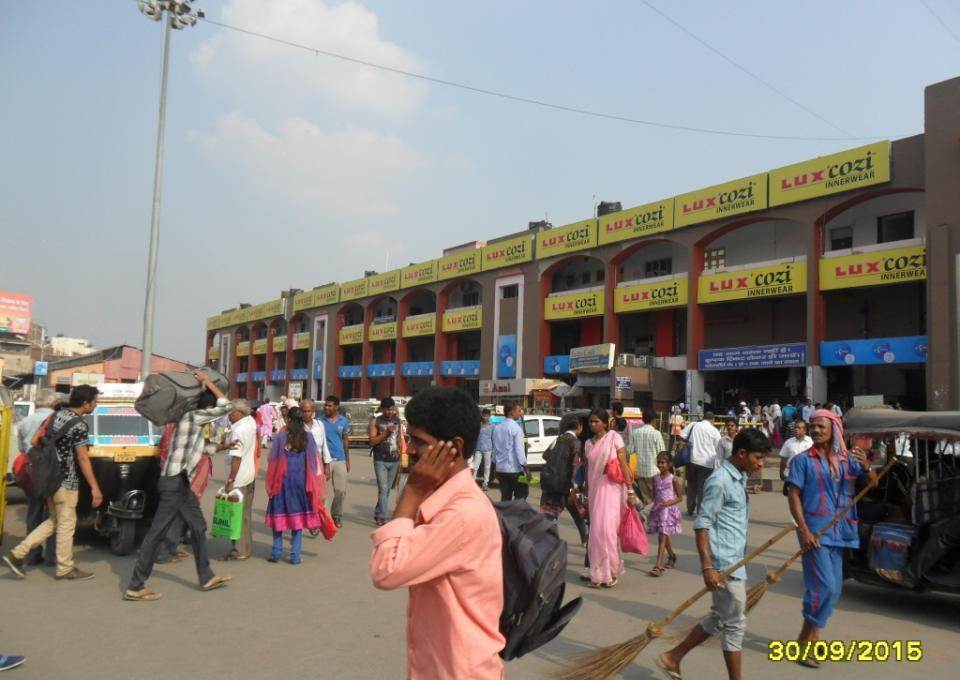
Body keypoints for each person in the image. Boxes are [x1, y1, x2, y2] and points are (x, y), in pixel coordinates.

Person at [370, 387, 504, 679]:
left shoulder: (461, 514)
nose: (410, 449)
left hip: (459, 670)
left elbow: (386, 570)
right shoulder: (446, 499)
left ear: (454, 447)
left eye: (419, 441)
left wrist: (412, 492)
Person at [659, 428, 770, 680]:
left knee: (721, 618)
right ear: (742, 454)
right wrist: (708, 567)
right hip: (724, 566)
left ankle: (673, 656)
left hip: (734, 560)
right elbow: (702, 524)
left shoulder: (739, 476)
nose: (761, 464)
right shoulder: (719, 481)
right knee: (734, 625)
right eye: (758, 458)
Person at [122, 373, 234, 601]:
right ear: (206, 406)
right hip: (174, 483)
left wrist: (224, 446)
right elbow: (227, 406)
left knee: (199, 526)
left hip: (180, 482)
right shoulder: (193, 417)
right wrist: (208, 382)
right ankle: (136, 584)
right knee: (157, 533)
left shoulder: (189, 421)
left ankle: (206, 576)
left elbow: (202, 449)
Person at [785, 410, 877, 668]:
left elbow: (872, 484)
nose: (815, 431)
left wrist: (867, 467)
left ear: (834, 428)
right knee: (822, 587)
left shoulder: (849, 460)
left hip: (843, 531)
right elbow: (793, 495)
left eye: (820, 426)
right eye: (812, 427)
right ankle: (807, 641)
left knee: (835, 589)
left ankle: (808, 637)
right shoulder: (802, 461)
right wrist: (803, 530)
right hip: (814, 531)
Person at [4, 385, 102, 581]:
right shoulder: (79, 425)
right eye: (94, 401)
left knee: (54, 521)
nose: (96, 404)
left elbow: (34, 440)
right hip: (66, 481)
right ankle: (65, 567)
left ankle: (17, 554)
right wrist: (95, 487)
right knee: (66, 524)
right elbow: (83, 459)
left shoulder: (55, 416)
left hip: (49, 478)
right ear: (85, 403)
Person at [265, 407, 323, 564]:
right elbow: (312, 462)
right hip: (301, 481)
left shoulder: (281, 436)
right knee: (297, 519)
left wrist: (271, 483)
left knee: (279, 513)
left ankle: (276, 552)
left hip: (282, 481)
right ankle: (295, 555)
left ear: (288, 419)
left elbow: (273, 461)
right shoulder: (308, 437)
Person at [584, 408, 633, 588]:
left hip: (612, 490)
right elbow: (588, 472)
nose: (593, 424)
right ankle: (597, 574)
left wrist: (630, 491)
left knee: (607, 532)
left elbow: (623, 464)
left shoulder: (614, 438)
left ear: (605, 423)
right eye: (591, 421)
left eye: (597, 421)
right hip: (595, 492)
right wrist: (584, 493)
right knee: (596, 533)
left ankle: (611, 571)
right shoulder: (588, 444)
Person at [15, 389, 59, 566]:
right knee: (54, 515)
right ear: (53, 403)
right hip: (51, 471)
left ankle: (32, 555)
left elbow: (21, 448)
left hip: (31, 471)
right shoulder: (56, 420)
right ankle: (52, 556)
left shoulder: (25, 421)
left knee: (33, 512)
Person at [539, 413, 588, 543]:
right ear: (579, 427)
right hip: (566, 485)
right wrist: (575, 486)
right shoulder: (576, 443)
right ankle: (585, 539)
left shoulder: (557, 439)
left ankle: (551, 540)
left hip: (552, 482)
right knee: (577, 513)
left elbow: (545, 455)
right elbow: (575, 466)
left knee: (550, 514)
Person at [221, 399, 257, 561]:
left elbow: (236, 458)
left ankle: (239, 550)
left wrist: (230, 481)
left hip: (239, 478)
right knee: (245, 515)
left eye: (231, 412)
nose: (229, 414)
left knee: (237, 516)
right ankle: (245, 548)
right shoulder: (250, 422)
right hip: (249, 475)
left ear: (239, 413)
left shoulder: (239, 430)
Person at [648, 451, 682, 577]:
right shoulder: (655, 478)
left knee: (662, 536)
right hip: (658, 510)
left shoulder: (673, 479)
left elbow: (679, 498)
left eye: (663, 462)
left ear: (669, 464)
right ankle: (672, 556)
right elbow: (654, 495)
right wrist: (650, 502)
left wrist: (669, 502)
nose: (660, 465)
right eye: (659, 462)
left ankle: (658, 565)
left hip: (668, 512)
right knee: (664, 536)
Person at [680, 413, 721, 516]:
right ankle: (700, 511)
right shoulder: (714, 431)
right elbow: (719, 447)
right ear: (713, 420)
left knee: (691, 485)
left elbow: (681, 435)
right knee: (702, 488)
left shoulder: (693, 425)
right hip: (707, 463)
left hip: (692, 460)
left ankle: (690, 508)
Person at [369, 397, 403, 526]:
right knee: (383, 489)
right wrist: (385, 433)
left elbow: (399, 438)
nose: (390, 412)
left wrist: (401, 451)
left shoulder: (397, 420)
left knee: (387, 490)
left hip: (394, 459)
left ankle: (378, 512)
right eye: (387, 409)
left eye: (392, 409)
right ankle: (384, 517)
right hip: (380, 459)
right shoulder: (376, 421)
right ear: (382, 409)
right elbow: (372, 441)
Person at [491, 401, 530, 501]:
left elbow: (495, 450)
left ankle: (505, 515)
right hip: (514, 470)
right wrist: (526, 469)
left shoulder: (497, 428)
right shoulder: (516, 429)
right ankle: (514, 515)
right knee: (522, 494)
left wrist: (495, 468)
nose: (520, 413)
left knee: (505, 497)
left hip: (501, 470)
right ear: (512, 412)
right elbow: (519, 451)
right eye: (519, 410)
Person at [322, 396, 351, 528]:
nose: (326, 408)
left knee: (340, 491)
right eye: (325, 405)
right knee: (322, 491)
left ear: (336, 407)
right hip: (324, 461)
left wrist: (347, 459)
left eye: (329, 406)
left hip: (340, 460)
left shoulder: (343, 421)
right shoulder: (319, 421)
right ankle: (325, 516)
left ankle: (336, 514)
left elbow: (345, 440)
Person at [628, 409, 666, 506]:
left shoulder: (635, 433)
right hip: (654, 472)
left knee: (646, 499)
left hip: (640, 472)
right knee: (657, 499)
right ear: (654, 420)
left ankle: (646, 519)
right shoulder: (656, 434)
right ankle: (650, 518)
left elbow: (629, 450)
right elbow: (662, 454)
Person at [778, 420, 813, 495]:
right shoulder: (788, 442)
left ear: (805, 430)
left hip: (807, 475)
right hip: (791, 475)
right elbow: (784, 459)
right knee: (793, 498)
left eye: (799, 428)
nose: (796, 429)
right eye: (796, 428)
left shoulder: (811, 443)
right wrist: (781, 472)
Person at [471, 408, 494, 489]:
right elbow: (475, 437)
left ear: (489, 416)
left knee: (487, 467)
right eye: (484, 415)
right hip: (478, 449)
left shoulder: (492, 426)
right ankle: (472, 482)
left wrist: (494, 450)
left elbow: (493, 438)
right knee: (475, 466)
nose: (485, 417)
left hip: (488, 449)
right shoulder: (478, 425)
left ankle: (485, 483)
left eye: (487, 416)